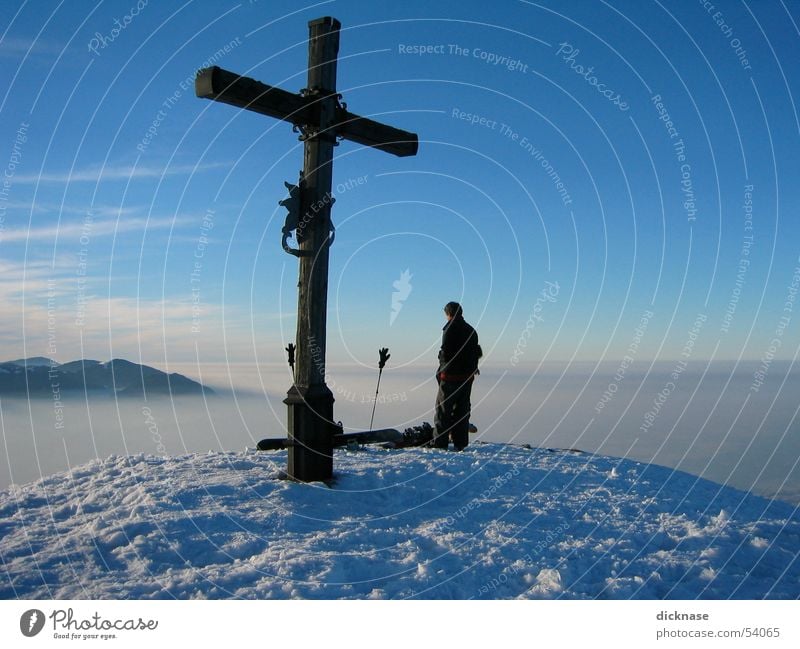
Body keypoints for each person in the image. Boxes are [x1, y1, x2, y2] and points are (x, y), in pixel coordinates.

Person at [432, 302, 481, 450]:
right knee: (462, 409)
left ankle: (440, 444)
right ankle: (460, 443)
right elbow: (476, 352)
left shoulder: (449, 329)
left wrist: (441, 370)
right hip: (467, 377)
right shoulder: (471, 330)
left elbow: (445, 353)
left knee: (443, 410)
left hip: (450, 377)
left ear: (448, 314)